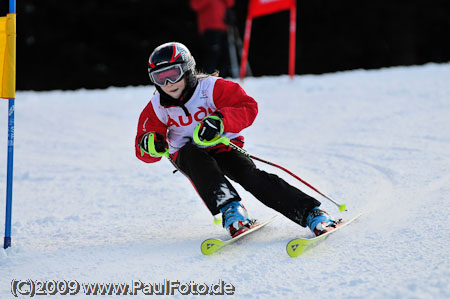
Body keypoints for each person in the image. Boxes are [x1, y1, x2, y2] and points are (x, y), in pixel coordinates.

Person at [135, 42, 337, 238]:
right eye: (160, 78)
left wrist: (220, 121)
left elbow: (247, 107)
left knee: (250, 176)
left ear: (188, 69)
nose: (168, 84)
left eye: (173, 74)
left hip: (223, 147)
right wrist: (150, 144)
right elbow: (144, 145)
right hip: (190, 156)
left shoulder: (210, 88)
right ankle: (232, 210)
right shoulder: (157, 106)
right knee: (191, 154)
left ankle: (311, 212)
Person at [190, 0, 234, 77]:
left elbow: (230, 3)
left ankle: (222, 77)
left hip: (223, 27)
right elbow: (195, 6)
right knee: (213, 53)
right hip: (209, 28)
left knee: (224, 54)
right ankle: (208, 78)